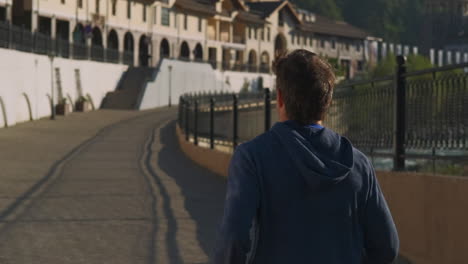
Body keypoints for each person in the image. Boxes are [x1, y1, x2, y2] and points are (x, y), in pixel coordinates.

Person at [213, 49, 399, 264]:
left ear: (280, 98)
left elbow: (233, 239)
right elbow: (387, 246)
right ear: (327, 101)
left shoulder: (252, 158)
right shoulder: (358, 164)